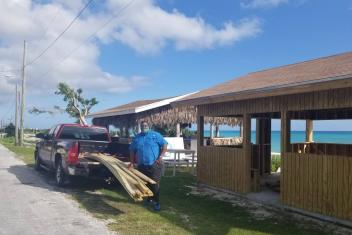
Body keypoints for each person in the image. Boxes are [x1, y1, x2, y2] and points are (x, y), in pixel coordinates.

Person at [128, 121, 168, 211]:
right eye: (142, 126)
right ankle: (149, 198)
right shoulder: (137, 138)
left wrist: (160, 157)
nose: (144, 127)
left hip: (154, 164)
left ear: (149, 126)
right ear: (140, 127)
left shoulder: (155, 135)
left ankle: (157, 202)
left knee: (154, 184)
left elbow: (164, 145)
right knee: (145, 183)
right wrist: (131, 162)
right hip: (142, 165)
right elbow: (132, 150)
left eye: (145, 125)